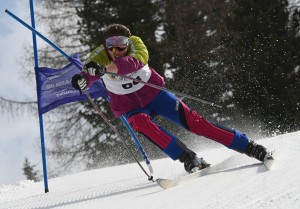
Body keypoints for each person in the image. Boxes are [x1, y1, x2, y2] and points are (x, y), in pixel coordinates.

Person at [71, 24, 272, 173]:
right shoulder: (98, 56)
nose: (115, 50)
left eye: (120, 45)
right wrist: (81, 81)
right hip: (128, 104)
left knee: (196, 124)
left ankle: (249, 146)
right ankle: (188, 157)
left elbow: (131, 64)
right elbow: (88, 74)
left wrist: (104, 69)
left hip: (154, 94)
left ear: (128, 42)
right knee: (140, 124)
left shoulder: (136, 45)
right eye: (110, 46)